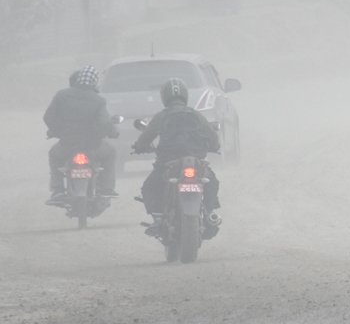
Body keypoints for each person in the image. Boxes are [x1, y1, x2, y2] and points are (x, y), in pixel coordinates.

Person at [133, 78, 222, 235]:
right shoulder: (196, 115)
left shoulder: (161, 116)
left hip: (168, 162)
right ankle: (209, 213)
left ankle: (158, 218)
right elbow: (213, 137)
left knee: (150, 187)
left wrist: (140, 147)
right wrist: (215, 147)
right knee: (211, 182)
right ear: (185, 96)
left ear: (165, 97)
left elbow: (146, 136)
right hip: (196, 161)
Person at [43, 66, 118, 203]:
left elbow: (49, 117)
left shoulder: (62, 95)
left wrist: (58, 131)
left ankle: (58, 190)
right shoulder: (99, 100)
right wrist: (113, 133)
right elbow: (104, 123)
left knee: (54, 155)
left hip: (67, 144)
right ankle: (106, 188)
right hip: (93, 146)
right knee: (110, 152)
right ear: (95, 82)